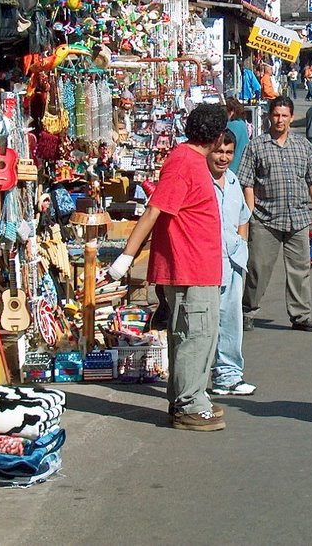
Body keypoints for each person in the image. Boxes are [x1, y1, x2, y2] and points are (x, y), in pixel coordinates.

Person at [107, 104, 229, 431]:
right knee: (196, 336)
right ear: (217, 137)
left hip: (194, 265)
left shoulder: (188, 161)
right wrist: (126, 257)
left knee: (189, 336)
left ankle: (185, 399)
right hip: (191, 266)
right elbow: (153, 211)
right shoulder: (185, 163)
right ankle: (190, 404)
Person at [240, 96, 312, 333]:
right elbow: (246, 182)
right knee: (258, 268)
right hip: (265, 218)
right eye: (276, 115)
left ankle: (300, 316)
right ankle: (247, 311)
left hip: (298, 218)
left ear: (291, 117)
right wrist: (249, 212)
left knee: (300, 269)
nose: (280, 120)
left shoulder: (303, 146)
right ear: (269, 116)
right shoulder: (256, 146)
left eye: (284, 115)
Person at [207, 130, 256, 397]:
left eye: (228, 153)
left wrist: (242, 247)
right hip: (207, 263)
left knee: (231, 321)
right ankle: (202, 379)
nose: (223, 158)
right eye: (219, 152)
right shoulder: (201, 182)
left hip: (233, 261)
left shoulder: (234, 181)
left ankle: (229, 376)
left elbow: (243, 218)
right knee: (206, 325)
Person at [224, 96, 251, 175]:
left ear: (231, 111)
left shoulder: (230, 126)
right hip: (242, 167)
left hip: (232, 167)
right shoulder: (242, 124)